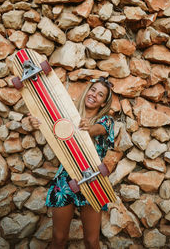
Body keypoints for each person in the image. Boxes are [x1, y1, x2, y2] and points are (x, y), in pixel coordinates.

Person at [29, 76, 114, 249]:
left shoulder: (106, 121)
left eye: (100, 95)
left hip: (93, 181)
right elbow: (47, 123)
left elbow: (98, 129)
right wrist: (35, 122)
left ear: (103, 103)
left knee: (91, 241)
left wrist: (88, 128)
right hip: (65, 181)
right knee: (59, 239)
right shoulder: (67, 115)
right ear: (87, 91)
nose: (94, 95)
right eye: (93, 90)